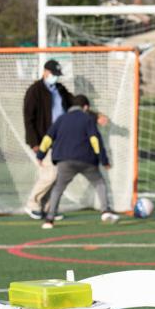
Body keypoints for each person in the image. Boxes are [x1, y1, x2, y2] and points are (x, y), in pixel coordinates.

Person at [36, 94, 120, 229]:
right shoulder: (88, 119)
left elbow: (48, 138)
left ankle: (49, 220)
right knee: (99, 183)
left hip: (64, 161)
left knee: (58, 188)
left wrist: (40, 155)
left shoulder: (61, 119)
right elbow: (95, 140)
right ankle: (105, 211)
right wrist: (104, 160)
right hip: (87, 160)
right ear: (85, 107)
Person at [23, 59, 72, 220]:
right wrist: (34, 143)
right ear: (45, 72)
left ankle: (48, 208)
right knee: (49, 175)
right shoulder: (34, 91)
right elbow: (28, 118)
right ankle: (32, 204)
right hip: (45, 141)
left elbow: (74, 106)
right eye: (53, 74)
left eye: (57, 75)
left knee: (60, 176)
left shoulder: (60, 89)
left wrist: (92, 114)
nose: (55, 77)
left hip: (62, 140)